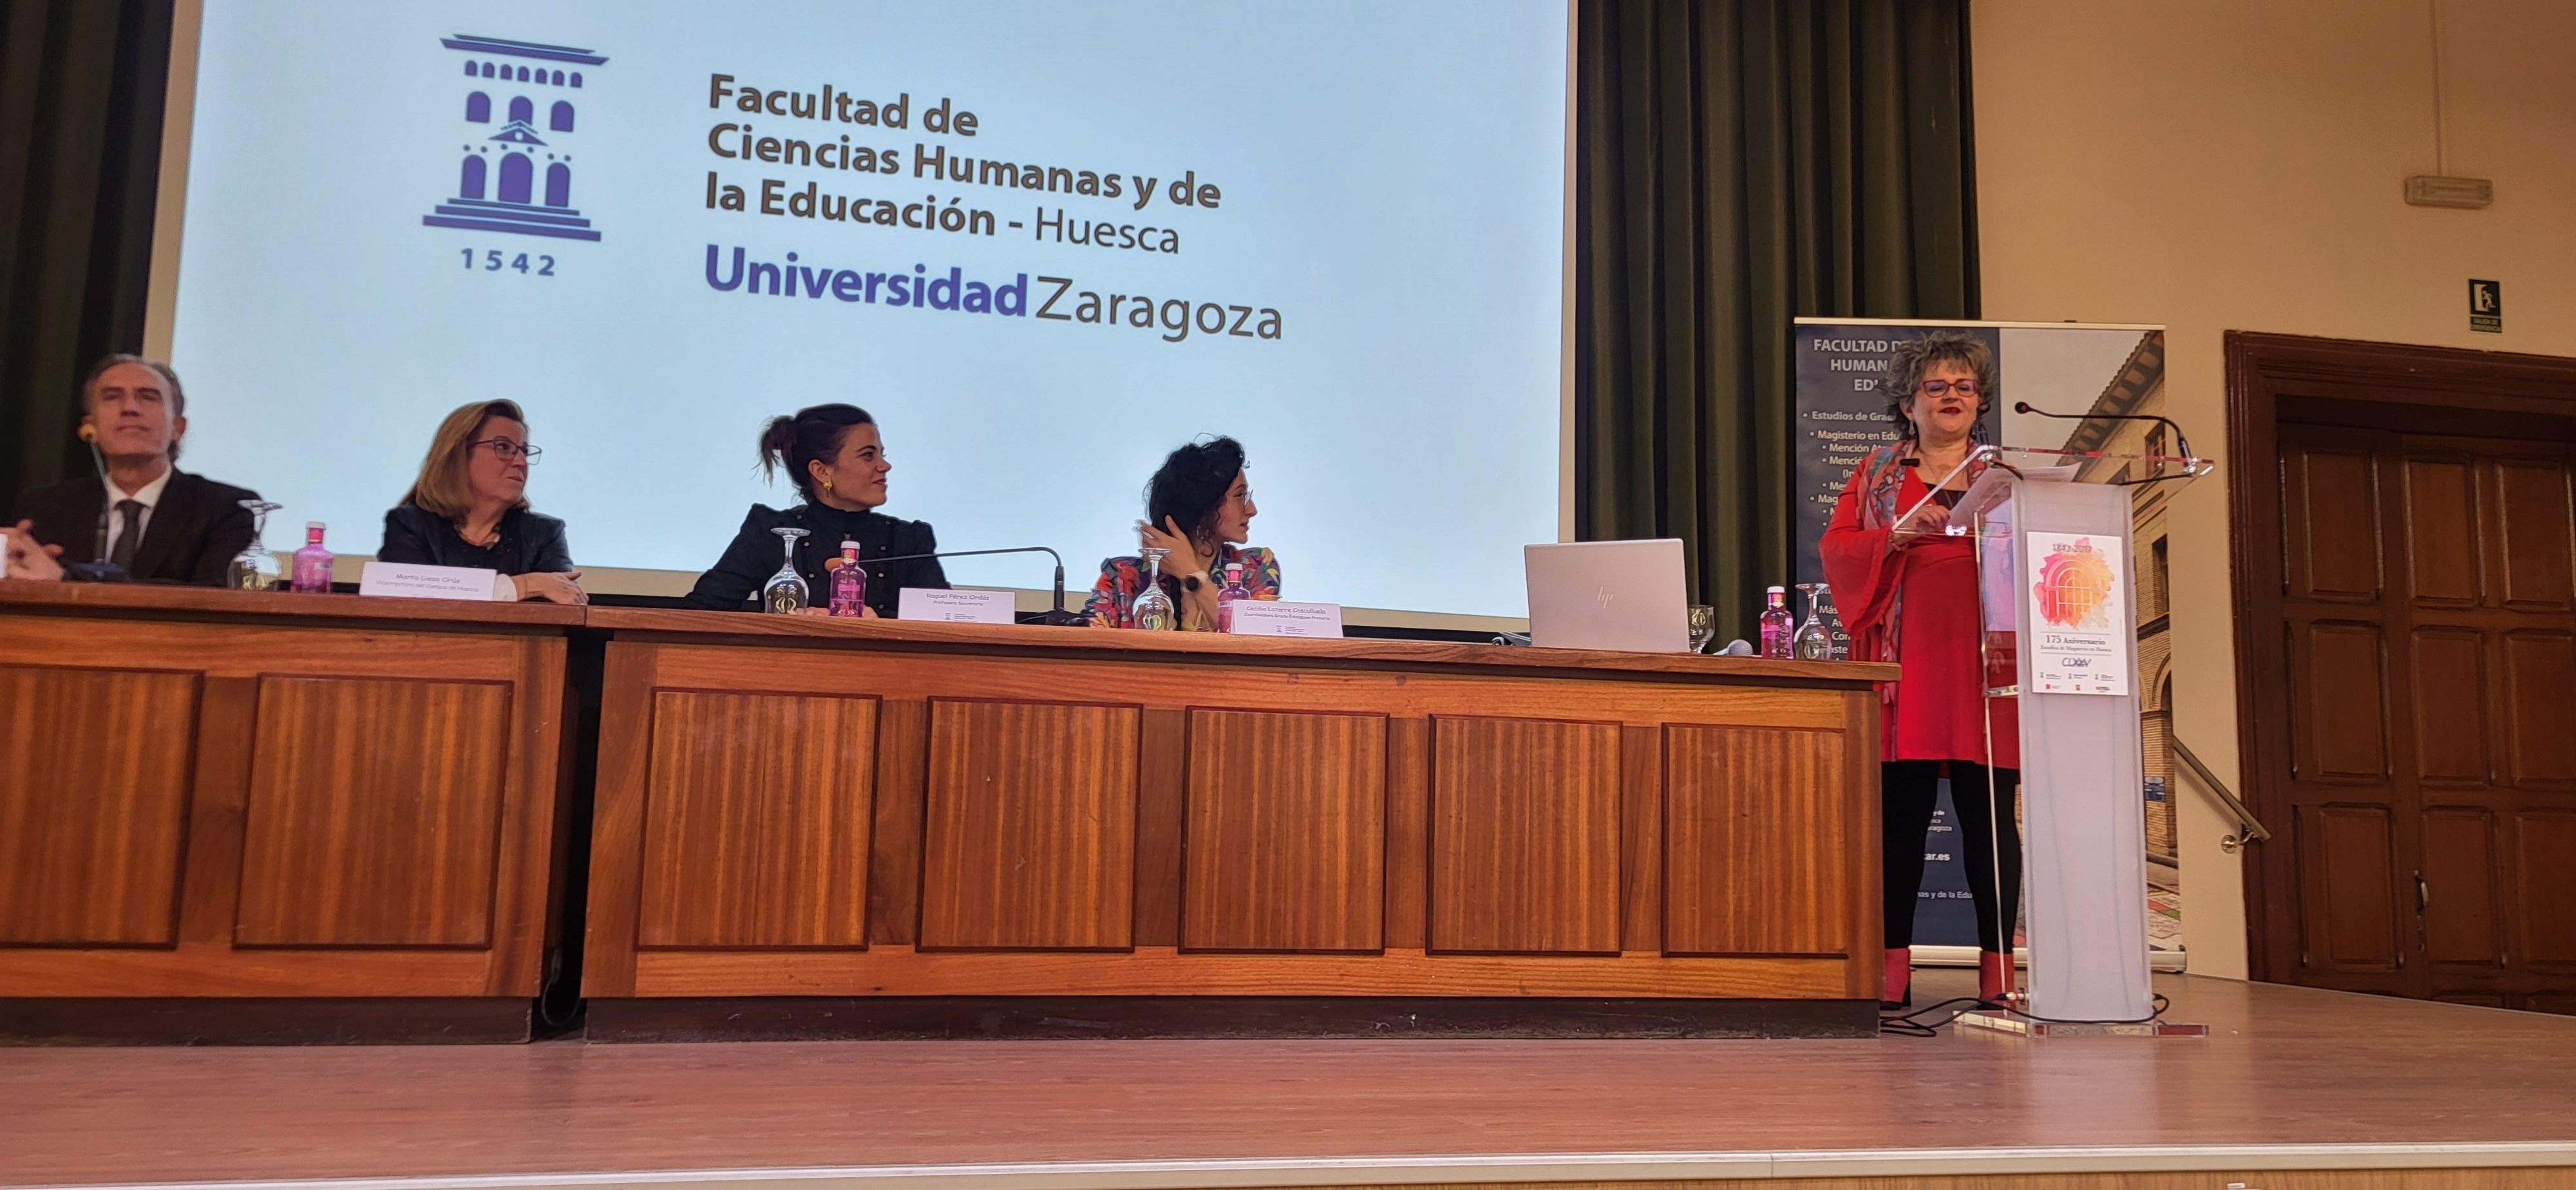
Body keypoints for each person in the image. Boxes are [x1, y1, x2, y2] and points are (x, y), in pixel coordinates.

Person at [1819, 330, 2022, 1011]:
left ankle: (1999, 977)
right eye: (1936, 387)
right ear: (1908, 403)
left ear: (1979, 399)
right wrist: (1895, 537)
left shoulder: (2006, 476)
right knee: (1899, 827)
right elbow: (1838, 548)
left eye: (1964, 387)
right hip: (1904, 670)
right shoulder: (1877, 473)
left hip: (1986, 672)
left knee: (1989, 825)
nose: (1952, 397)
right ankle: (1889, 974)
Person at [6, 354, 260, 585]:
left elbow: (209, 598)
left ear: (178, 428)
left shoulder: (228, 509)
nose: (129, 408)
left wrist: (66, 579)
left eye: (148, 397)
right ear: (89, 426)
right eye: (112, 396)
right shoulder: (45, 507)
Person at [686, 403, 945, 617]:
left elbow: (947, 626)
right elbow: (698, 615)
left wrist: (881, 625)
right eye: (868, 456)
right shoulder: (771, 532)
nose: (885, 466)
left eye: (881, 454)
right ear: (822, 471)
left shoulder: (910, 540)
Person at [377, 399, 583, 604]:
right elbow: (408, 601)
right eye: (503, 447)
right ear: (458, 454)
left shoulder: (544, 534)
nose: (521, 462)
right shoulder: (409, 525)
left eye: (524, 451)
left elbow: (560, 610)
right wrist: (526, 586)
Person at [1083, 436, 1278, 629]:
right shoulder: (1123, 578)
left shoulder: (1254, 568)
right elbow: (1087, 645)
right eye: (1239, 496)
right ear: (1203, 508)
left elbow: (1254, 638)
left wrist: (1190, 573)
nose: (1252, 509)